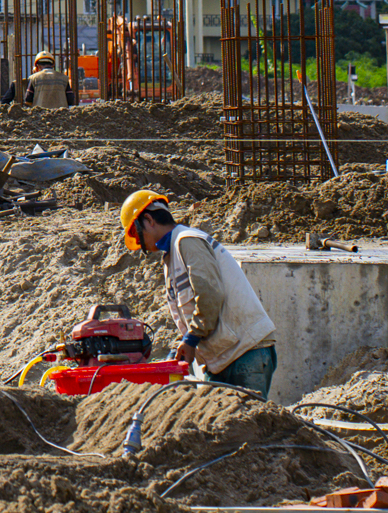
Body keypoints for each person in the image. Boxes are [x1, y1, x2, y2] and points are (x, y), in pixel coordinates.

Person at [116, 192, 277, 456]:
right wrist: (185, 344)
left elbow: (210, 295)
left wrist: (191, 339)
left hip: (246, 352)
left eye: (139, 237)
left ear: (148, 220)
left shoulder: (187, 242)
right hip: (222, 357)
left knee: (250, 443)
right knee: (224, 443)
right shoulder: (173, 255)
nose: (143, 248)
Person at [0, 50, 77, 107]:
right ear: (53, 65)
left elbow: (28, 100)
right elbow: (70, 100)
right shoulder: (64, 78)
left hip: (40, 116)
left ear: (38, 66)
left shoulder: (34, 78)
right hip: (61, 116)